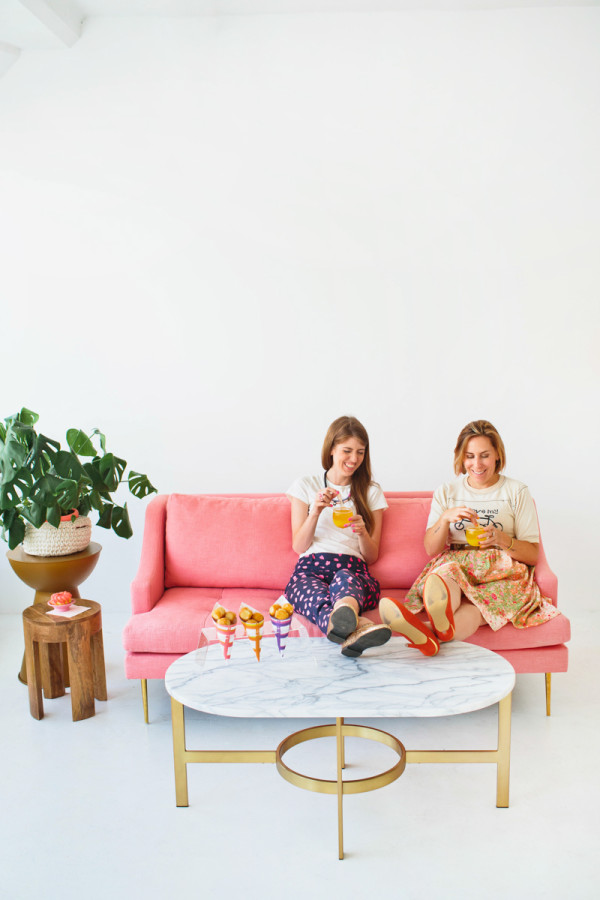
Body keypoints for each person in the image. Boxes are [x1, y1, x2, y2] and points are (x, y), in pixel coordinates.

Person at [379, 419, 559, 656]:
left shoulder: (516, 491)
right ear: (461, 458)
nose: (477, 464)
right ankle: (440, 614)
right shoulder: (447, 491)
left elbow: (533, 555)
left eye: (484, 455)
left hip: (501, 571)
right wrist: (444, 518)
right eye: (470, 456)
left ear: (497, 455)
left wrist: (501, 540)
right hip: (458, 564)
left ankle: (425, 631)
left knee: (478, 608)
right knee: (446, 575)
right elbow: (431, 548)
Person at [285, 415, 391, 658]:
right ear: (332, 449)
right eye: (347, 451)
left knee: (345, 581)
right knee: (310, 592)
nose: (354, 459)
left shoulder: (370, 491)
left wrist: (363, 531)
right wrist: (315, 512)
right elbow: (299, 545)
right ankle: (359, 627)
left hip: (353, 569)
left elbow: (372, 556)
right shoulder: (306, 485)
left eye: (360, 452)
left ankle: (345, 614)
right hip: (310, 568)